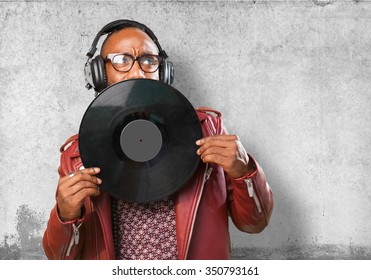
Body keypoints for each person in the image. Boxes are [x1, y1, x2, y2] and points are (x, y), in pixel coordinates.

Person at [43, 19, 273, 260]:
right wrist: (66, 214)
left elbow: (254, 224)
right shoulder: (77, 155)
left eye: (148, 60)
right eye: (121, 60)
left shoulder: (209, 130)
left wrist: (243, 171)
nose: (137, 71)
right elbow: (60, 260)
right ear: (100, 73)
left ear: (163, 72)